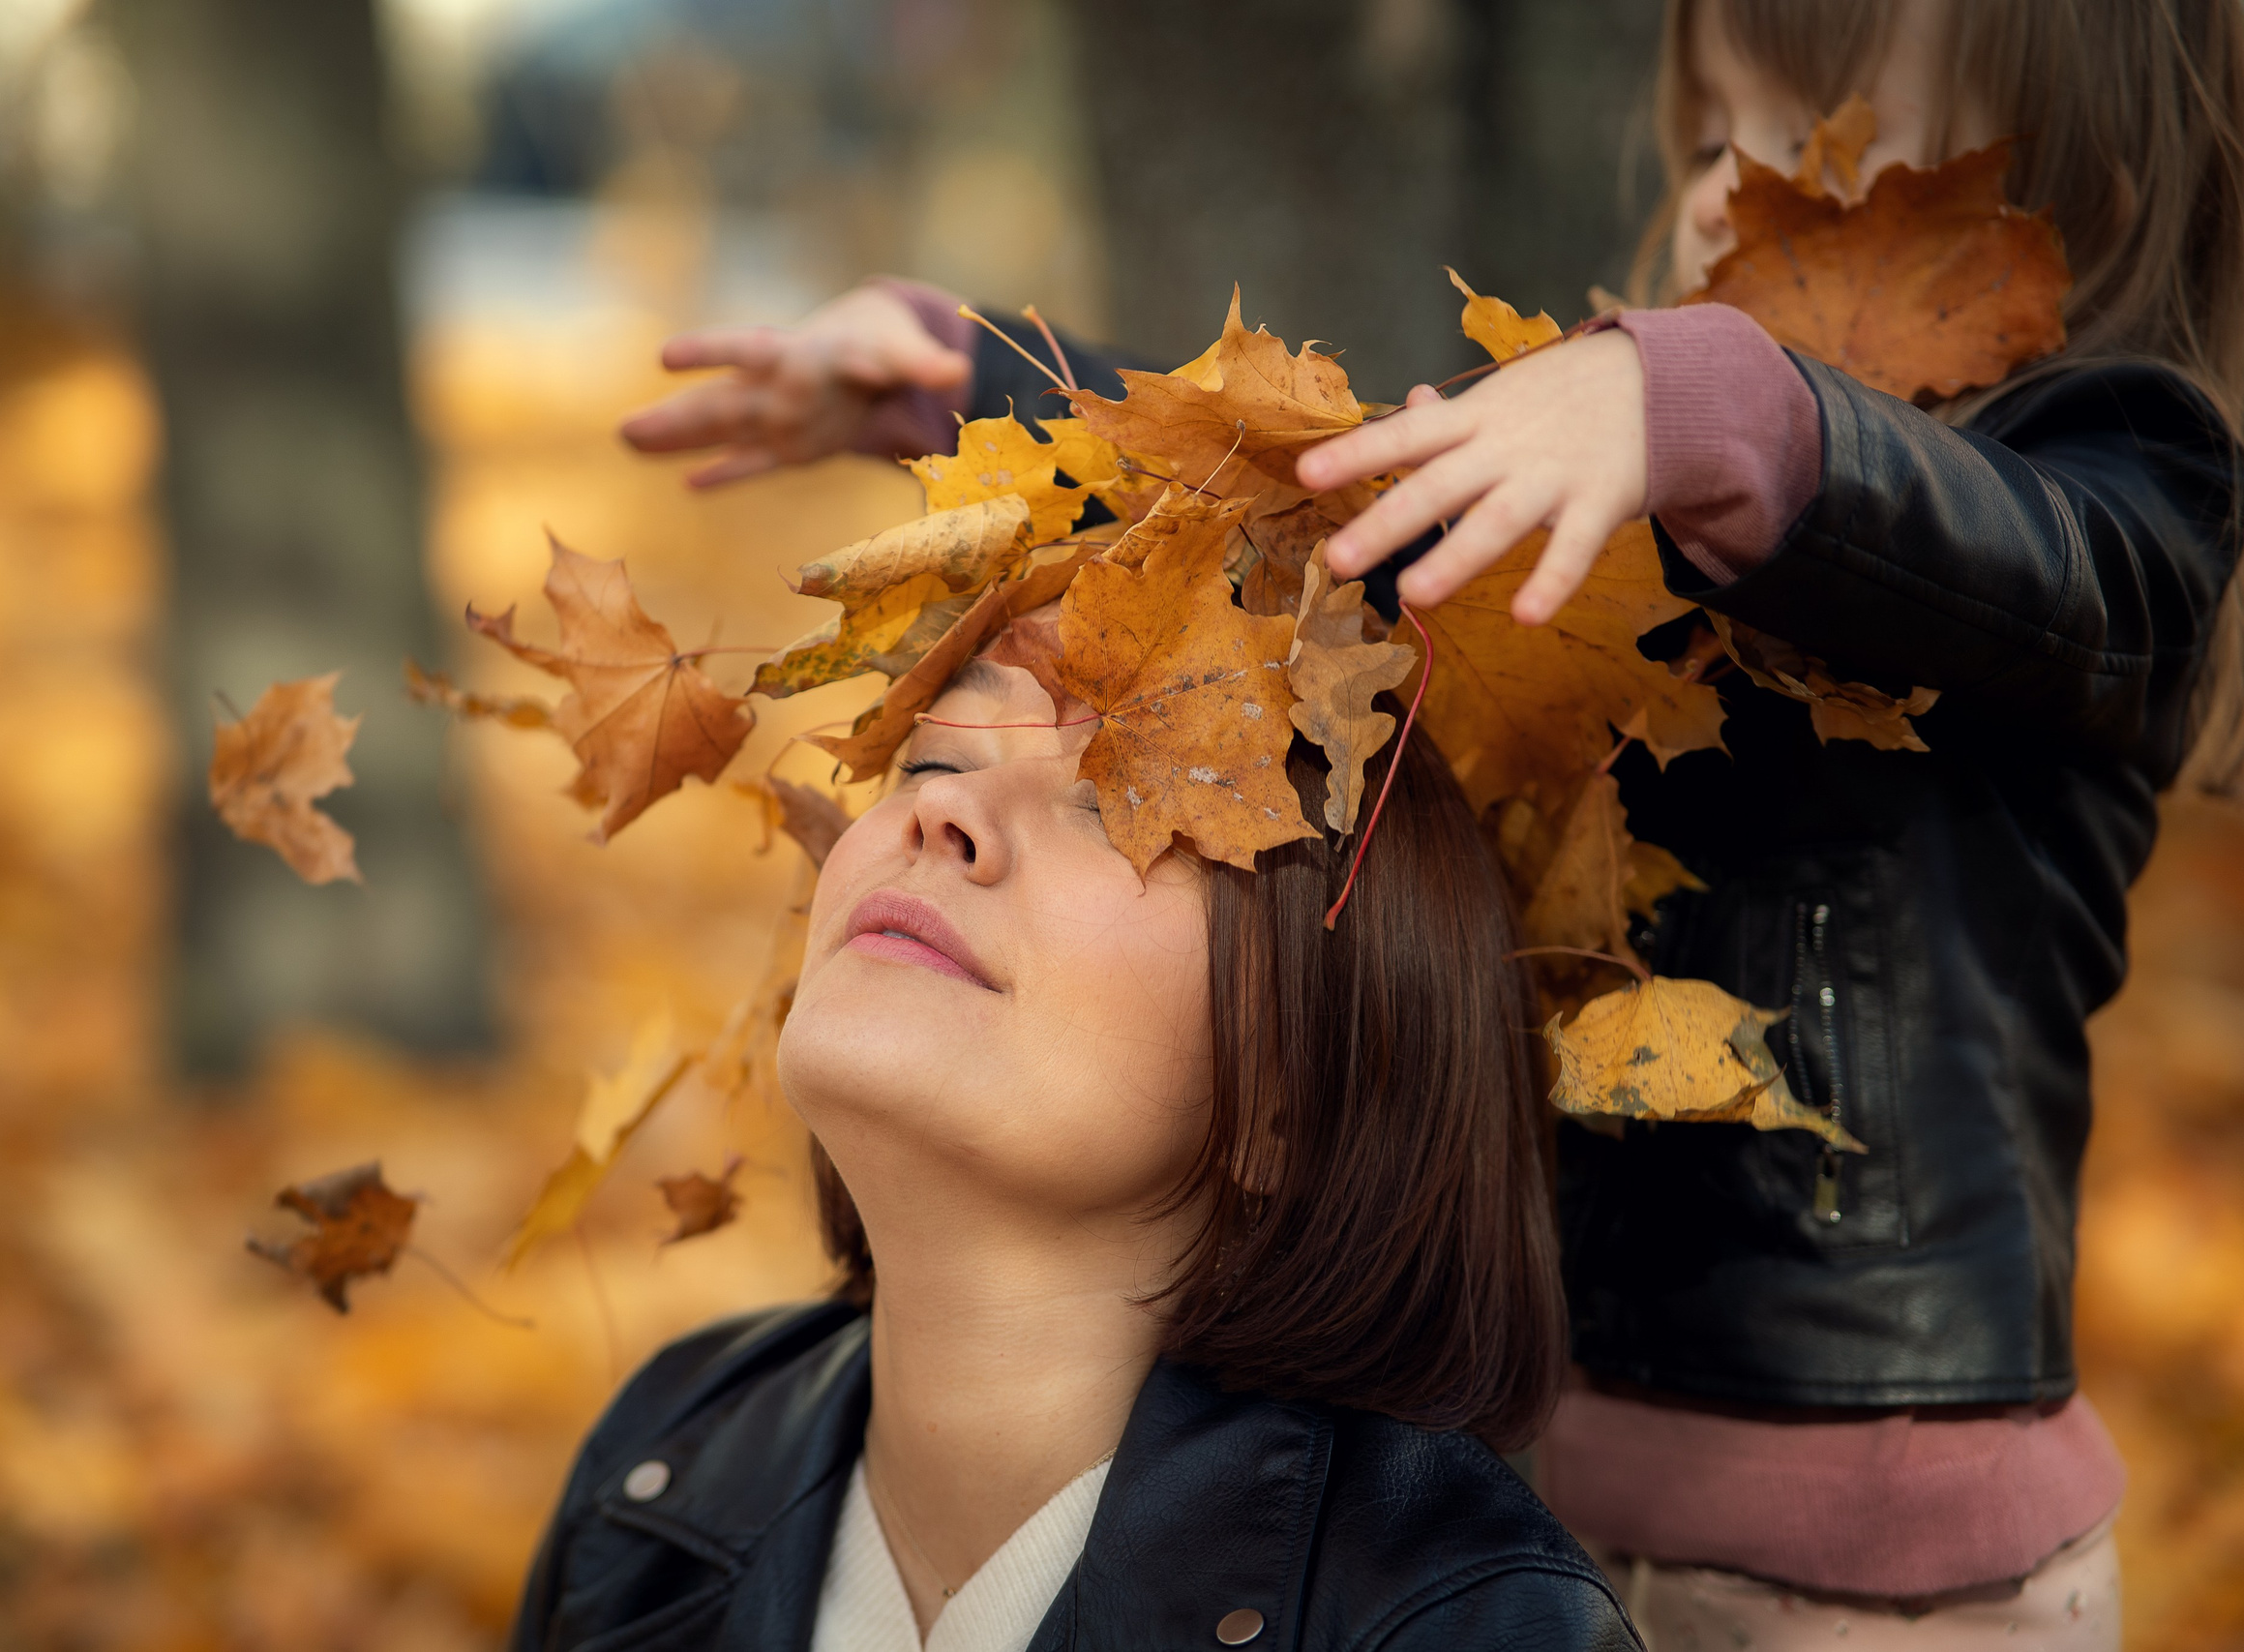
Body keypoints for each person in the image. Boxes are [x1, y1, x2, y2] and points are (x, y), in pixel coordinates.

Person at [610, 3, 2244, 1643]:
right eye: (1701, 147)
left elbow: (2041, 562)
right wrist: (988, 386)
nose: (1722, 199)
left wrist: (1695, 397)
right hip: (1551, 1504)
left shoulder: (2131, 485)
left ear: (2077, 186)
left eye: (1832, 149)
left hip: (1899, 1584)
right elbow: (1333, 489)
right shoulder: (1640, 520)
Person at [507, 644, 1640, 1649]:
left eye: (1116, 798)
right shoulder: (666, 1462)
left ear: (1295, 1088)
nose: (937, 816)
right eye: (932, 762)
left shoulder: (1454, 1624)